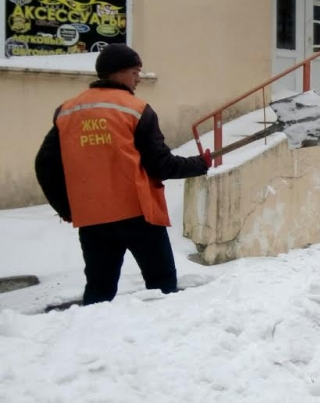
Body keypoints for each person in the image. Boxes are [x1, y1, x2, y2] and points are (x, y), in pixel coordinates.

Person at [34, 43, 212, 306]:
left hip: (93, 219)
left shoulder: (68, 111)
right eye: (135, 72)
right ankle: (162, 340)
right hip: (138, 215)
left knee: (99, 291)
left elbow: (44, 165)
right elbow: (161, 164)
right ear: (117, 72)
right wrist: (200, 163)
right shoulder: (136, 110)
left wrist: (67, 207)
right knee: (161, 286)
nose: (138, 78)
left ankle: (91, 342)